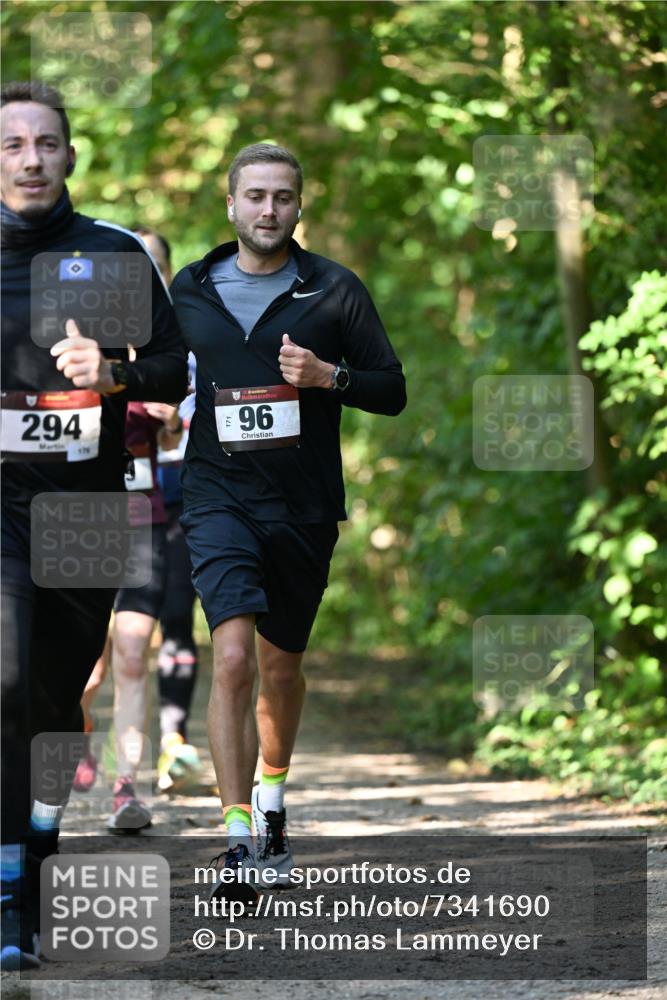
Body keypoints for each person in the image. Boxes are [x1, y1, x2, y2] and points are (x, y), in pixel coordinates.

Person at [171, 143, 406, 902]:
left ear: (299, 206)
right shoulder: (191, 288)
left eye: (282, 197)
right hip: (215, 498)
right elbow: (157, 373)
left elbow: (392, 390)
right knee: (232, 659)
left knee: (280, 668)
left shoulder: (333, 290)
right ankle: (237, 838)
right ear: (229, 204)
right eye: (255, 197)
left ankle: (272, 796)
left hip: (303, 508)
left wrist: (327, 377)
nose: (268, 210)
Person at [0, 81, 187, 968]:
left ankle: (38, 842)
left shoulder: (111, 254)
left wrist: (112, 368)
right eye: (12, 145)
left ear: (70, 156)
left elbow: (177, 368)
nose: (30, 160)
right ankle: (10, 891)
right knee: (3, 678)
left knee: (51, 697)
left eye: (45, 144)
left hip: (85, 507)